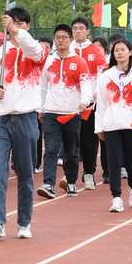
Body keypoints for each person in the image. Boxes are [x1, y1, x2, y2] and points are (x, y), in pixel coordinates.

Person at [0, 6, 46, 240]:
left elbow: (34, 51)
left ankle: (24, 222)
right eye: (11, 23)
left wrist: (15, 31)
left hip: (26, 118)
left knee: (25, 172)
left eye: (20, 23)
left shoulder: (36, 51)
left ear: (27, 26)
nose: (14, 27)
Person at [96, 38, 132, 212]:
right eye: (116, 50)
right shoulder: (106, 76)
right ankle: (116, 197)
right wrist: (99, 127)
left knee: (131, 163)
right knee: (114, 162)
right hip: (112, 125)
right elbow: (102, 104)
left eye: (122, 50)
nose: (119, 53)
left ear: (130, 52)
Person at [37, 24, 90, 200]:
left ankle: (71, 181)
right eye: (57, 37)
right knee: (51, 149)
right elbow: (43, 86)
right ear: (54, 40)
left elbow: (85, 84)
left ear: (70, 39)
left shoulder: (79, 61)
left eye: (64, 37)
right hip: (51, 112)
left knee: (71, 150)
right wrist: (42, 108)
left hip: (71, 112)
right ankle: (48, 184)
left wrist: (83, 102)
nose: (60, 40)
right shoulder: (49, 61)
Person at [70, 16, 107, 190]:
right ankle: (69, 174)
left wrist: (97, 91)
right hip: (69, 103)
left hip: (90, 104)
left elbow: (102, 72)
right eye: (75, 28)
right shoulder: (66, 49)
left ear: (87, 31)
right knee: (70, 139)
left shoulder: (96, 50)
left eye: (81, 28)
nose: (78, 31)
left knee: (88, 140)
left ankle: (89, 173)